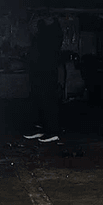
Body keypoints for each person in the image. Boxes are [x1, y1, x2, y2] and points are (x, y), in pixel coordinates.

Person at [24, 12, 64, 142]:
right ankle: (41, 127)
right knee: (39, 95)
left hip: (46, 67)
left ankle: (52, 130)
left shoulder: (52, 32)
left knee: (46, 96)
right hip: (42, 67)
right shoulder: (47, 31)